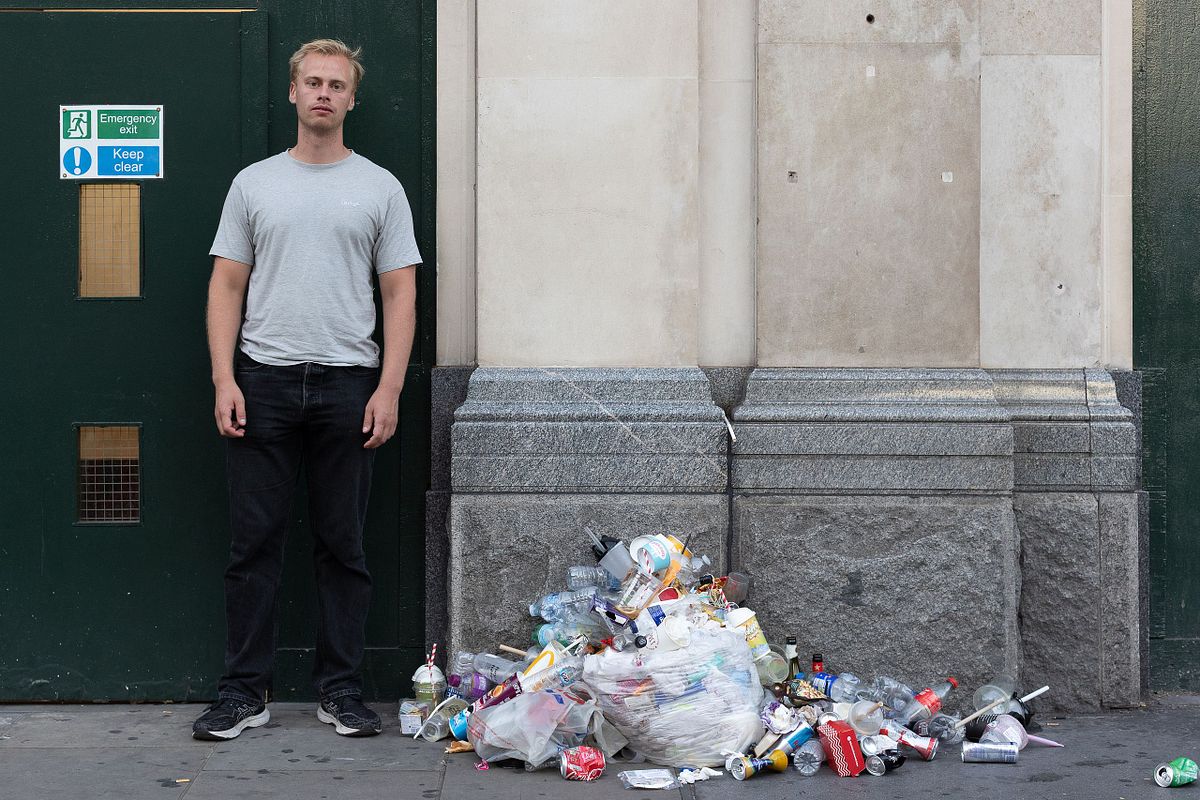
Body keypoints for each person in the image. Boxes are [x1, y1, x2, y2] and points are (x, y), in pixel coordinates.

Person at [193, 38, 420, 740]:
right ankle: (243, 692)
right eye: (313, 82)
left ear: (352, 99)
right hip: (261, 381)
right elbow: (227, 282)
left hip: (349, 386)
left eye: (336, 84)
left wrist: (389, 389)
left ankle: (341, 689)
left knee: (343, 547)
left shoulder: (380, 187)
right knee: (252, 547)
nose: (324, 93)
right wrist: (224, 376)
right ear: (292, 93)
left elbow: (400, 294)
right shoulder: (254, 184)